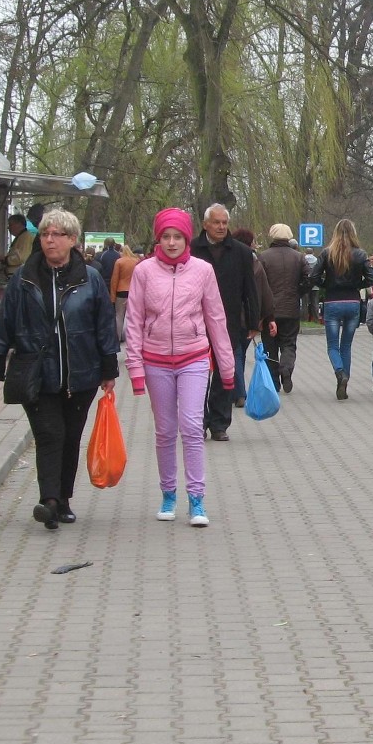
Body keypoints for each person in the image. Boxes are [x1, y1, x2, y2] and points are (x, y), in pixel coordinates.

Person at [0, 209, 119, 529]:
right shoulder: (24, 278)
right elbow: (4, 324)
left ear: (72, 240)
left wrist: (108, 368)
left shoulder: (90, 277)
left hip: (81, 373)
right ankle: (49, 501)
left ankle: (64, 499)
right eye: (45, 234)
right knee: (49, 434)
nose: (50, 240)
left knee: (71, 437)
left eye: (57, 234)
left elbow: (104, 325)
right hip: (37, 372)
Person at [124, 208, 234, 526]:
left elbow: (216, 318)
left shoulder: (202, 271)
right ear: (158, 238)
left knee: (191, 427)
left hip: (194, 357)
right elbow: (134, 320)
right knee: (165, 431)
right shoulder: (144, 271)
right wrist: (135, 368)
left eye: (178, 237)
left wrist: (226, 368)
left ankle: (197, 499)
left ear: (187, 238)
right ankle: (168, 493)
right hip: (155, 359)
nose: (171, 243)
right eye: (166, 237)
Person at [190, 204, 259, 441]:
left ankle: (219, 423)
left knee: (224, 372)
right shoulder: (191, 249)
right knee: (197, 374)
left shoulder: (240, 252)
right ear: (205, 224)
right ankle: (198, 421)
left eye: (224, 223)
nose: (221, 227)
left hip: (228, 321)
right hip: (195, 321)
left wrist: (253, 320)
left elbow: (250, 289)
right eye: (216, 222)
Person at [309, 219, 373, 400]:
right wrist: (356, 284)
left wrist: (326, 285)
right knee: (346, 345)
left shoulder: (327, 253)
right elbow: (372, 279)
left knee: (332, 345)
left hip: (332, 301)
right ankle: (344, 382)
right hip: (353, 301)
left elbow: (313, 276)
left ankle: (340, 373)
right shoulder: (360, 254)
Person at [258, 223, 310, 393]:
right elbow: (308, 280)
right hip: (291, 308)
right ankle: (286, 369)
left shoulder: (263, 257)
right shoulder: (299, 257)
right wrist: (298, 293)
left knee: (269, 347)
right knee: (289, 343)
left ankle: (274, 382)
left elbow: (257, 284)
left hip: (269, 311)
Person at [231, 227, 275, 406]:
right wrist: (269, 316)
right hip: (251, 317)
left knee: (235, 354)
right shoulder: (255, 263)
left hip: (232, 316)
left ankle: (239, 393)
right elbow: (266, 292)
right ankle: (237, 391)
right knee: (239, 352)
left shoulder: (229, 261)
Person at [110, 244, 141, 342]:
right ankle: (133, 339)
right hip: (133, 291)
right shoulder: (136, 261)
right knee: (133, 316)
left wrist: (112, 297)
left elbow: (114, 280)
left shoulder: (119, 262)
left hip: (121, 291)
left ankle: (117, 338)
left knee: (119, 316)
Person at [0, 214, 34, 279]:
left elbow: (22, 258)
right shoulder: (21, 237)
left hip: (17, 276)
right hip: (13, 274)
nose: (8, 227)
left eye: (10, 225)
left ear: (19, 224)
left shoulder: (26, 237)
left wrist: (4, 259)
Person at [301, 247, 319, 322]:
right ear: (313, 253)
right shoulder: (317, 260)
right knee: (314, 302)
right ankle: (316, 319)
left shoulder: (302, 259)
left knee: (305, 303)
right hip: (315, 285)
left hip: (305, 284)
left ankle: (304, 319)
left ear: (305, 253)